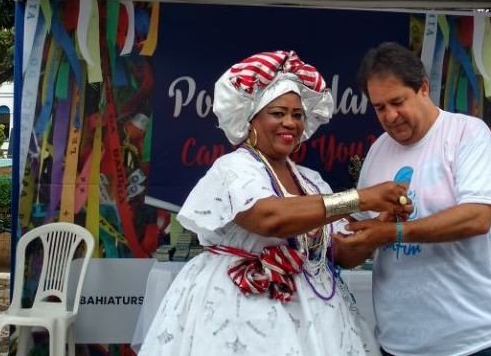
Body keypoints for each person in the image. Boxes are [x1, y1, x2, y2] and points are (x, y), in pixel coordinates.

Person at [136, 49, 411, 355]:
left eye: (297, 115)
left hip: (312, 312)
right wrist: (360, 198)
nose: (290, 123)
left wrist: (381, 224)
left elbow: (339, 253)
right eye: (278, 113)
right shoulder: (233, 168)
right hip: (239, 308)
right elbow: (268, 218)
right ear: (250, 118)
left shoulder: (310, 180)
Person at [337, 41, 491, 356]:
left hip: (473, 340)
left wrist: (393, 232)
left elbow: (478, 217)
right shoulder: (379, 149)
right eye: (380, 107)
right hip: (400, 340)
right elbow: (362, 237)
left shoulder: (467, 134)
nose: (391, 116)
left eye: (397, 102)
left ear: (423, 88)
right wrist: (350, 236)